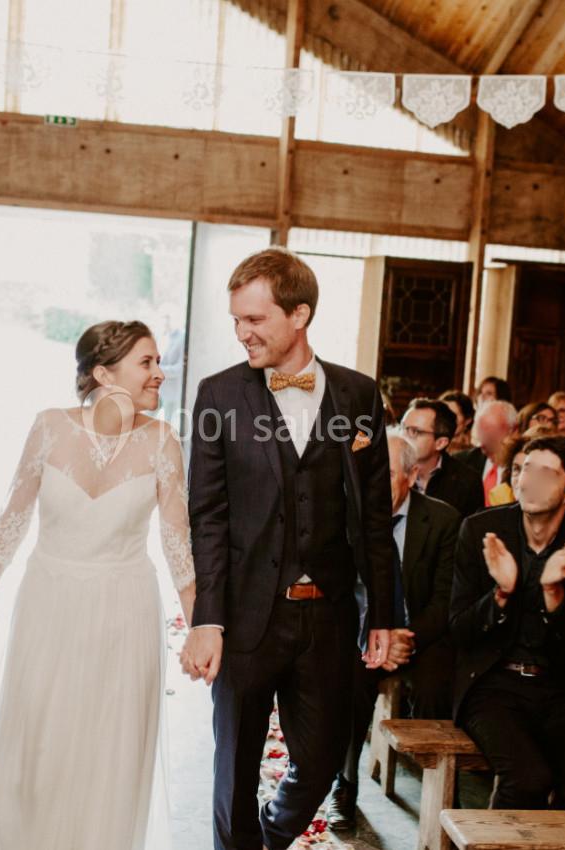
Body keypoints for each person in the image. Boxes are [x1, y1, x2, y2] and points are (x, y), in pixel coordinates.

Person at [181, 248, 394, 850]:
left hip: (327, 618)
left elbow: (375, 518)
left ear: (299, 315)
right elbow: (209, 517)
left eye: (256, 320)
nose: (242, 333)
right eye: (236, 321)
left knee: (324, 758)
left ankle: (269, 841)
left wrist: (382, 612)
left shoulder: (358, 395)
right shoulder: (218, 394)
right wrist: (208, 619)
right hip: (247, 614)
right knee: (235, 770)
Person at [0, 320, 195, 850]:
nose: (160, 372)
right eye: (147, 362)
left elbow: (180, 547)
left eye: (158, 362)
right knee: (40, 745)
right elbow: (12, 520)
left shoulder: (164, 442)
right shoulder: (49, 426)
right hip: (50, 605)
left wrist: (200, 627)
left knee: (110, 752)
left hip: (125, 611)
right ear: (103, 373)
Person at [450, 436, 565, 809]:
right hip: (494, 683)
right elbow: (459, 629)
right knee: (526, 779)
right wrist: (502, 595)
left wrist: (555, 599)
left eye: (546, 473)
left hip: (562, 686)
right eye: (524, 470)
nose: (528, 481)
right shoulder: (480, 531)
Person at [328, 434, 459, 834]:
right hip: (365, 634)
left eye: (382, 474)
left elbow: (445, 600)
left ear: (411, 475)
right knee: (350, 684)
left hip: (421, 635)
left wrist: (406, 637)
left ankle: (440, 798)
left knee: (440, 684)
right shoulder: (344, 518)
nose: (371, 483)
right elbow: (341, 594)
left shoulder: (443, 520)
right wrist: (376, 636)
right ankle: (344, 787)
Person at [400, 397, 483, 519]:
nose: (403, 437)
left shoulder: (466, 482)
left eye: (414, 431)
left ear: (440, 443)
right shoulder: (387, 471)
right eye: (402, 428)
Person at [457, 399, 518, 506]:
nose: (484, 441)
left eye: (492, 434)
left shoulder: (521, 467)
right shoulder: (462, 462)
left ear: (513, 430)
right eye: (481, 432)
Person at [441, 390, 475, 454]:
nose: (446, 419)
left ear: (468, 420)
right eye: (443, 413)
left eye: (452, 415)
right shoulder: (430, 448)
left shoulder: (474, 455)